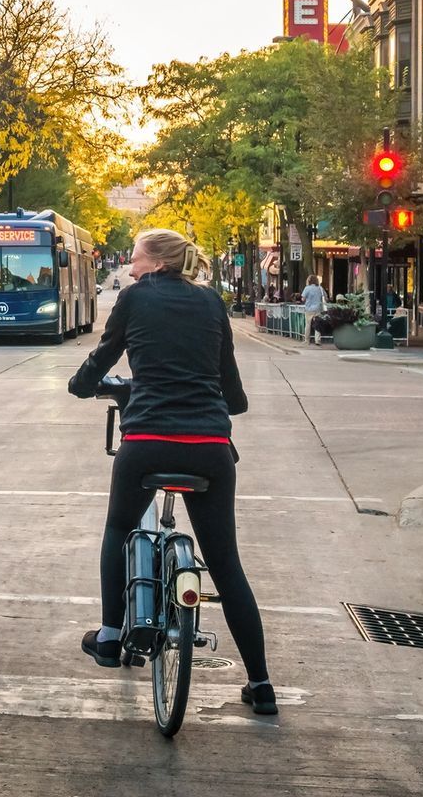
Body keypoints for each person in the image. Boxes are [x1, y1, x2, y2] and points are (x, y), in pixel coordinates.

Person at [66, 228, 276, 716]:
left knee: (120, 527)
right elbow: (231, 382)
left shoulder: (135, 298)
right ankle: (261, 684)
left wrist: (82, 386)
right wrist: (228, 405)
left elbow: (104, 355)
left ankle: (111, 634)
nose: (131, 265)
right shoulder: (211, 303)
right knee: (226, 565)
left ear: (157, 263)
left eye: (136, 258)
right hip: (209, 447)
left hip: (148, 443)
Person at [300, 274, 326, 345]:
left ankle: (307, 340)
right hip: (318, 309)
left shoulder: (307, 288)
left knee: (308, 324)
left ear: (309, 281)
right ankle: (317, 340)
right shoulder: (320, 288)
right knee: (317, 324)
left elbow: (303, 298)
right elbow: (325, 297)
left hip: (309, 309)